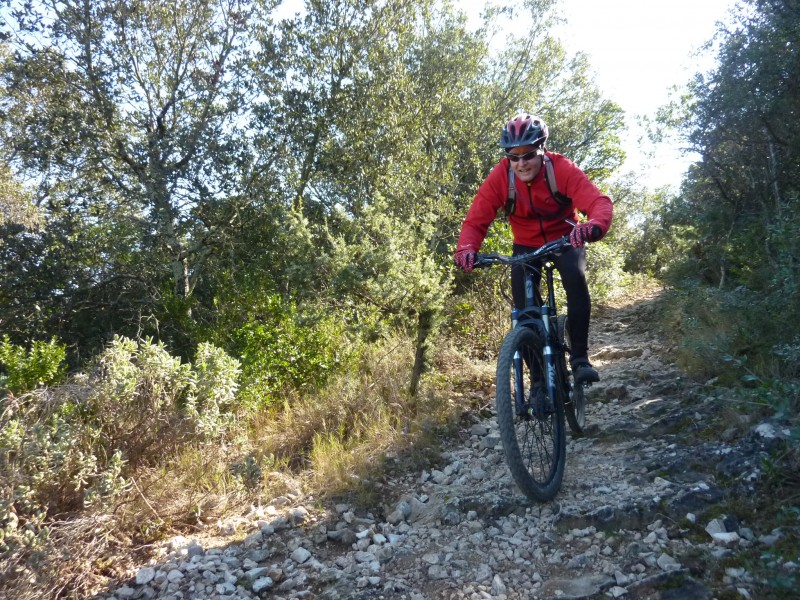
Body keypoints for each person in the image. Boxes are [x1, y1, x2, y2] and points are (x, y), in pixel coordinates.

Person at [453, 112, 613, 384]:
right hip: (525, 245)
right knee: (525, 311)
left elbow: (597, 201)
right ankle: (539, 381)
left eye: (527, 154)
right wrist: (466, 248)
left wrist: (594, 224)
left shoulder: (561, 168)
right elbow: (476, 219)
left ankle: (580, 359)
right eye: (513, 157)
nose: (521, 163)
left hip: (565, 238)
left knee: (576, 279)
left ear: (542, 149)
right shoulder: (500, 177)